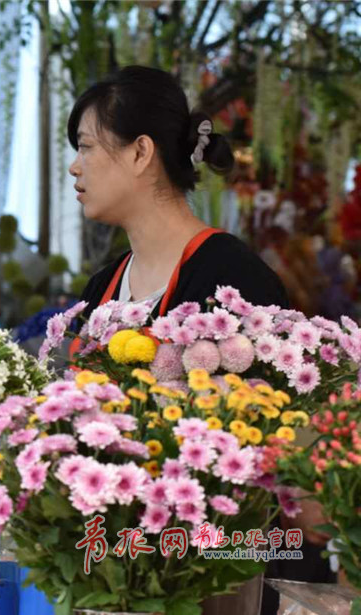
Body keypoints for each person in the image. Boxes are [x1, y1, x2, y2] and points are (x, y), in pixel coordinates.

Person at [66, 65, 332, 615]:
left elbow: (279, 448)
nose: (75, 166)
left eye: (88, 147)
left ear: (141, 153)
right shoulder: (104, 286)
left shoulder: (235, 278)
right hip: (110, 569)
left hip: (212, 577)